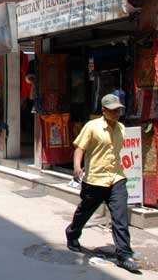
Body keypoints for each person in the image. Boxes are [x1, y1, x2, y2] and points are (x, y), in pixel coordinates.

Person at [65, 94, 139, 272]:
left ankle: (124, 255)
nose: (116, 113)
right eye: (113, 110)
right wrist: (77, 167)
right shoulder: (92, 126)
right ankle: (72, 233)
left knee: (120, 217)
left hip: (116, 178)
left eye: (118, 110)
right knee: (85, 211)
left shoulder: (121, 128)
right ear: (104, 110)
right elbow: (80, 147)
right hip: (95, 179)